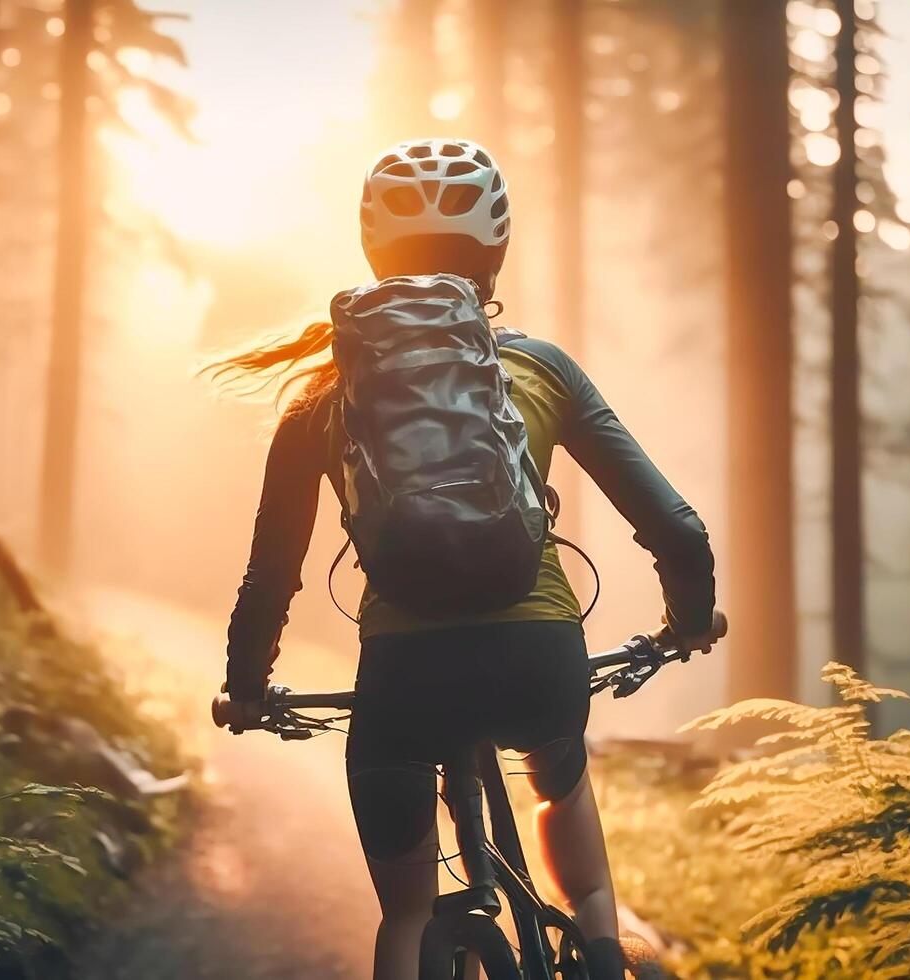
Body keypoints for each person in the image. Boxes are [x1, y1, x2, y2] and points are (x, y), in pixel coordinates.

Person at [210, 138, 719, 980]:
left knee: (405, 917)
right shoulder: (540, 368)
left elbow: (270, 577)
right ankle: (599, 945)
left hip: (405, 677)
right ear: (495, 248)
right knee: (559, 782)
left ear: (373, 244)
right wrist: (688, 624)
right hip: (537, 659)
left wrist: (249, 686)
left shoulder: (319, 403)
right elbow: (678, 531)